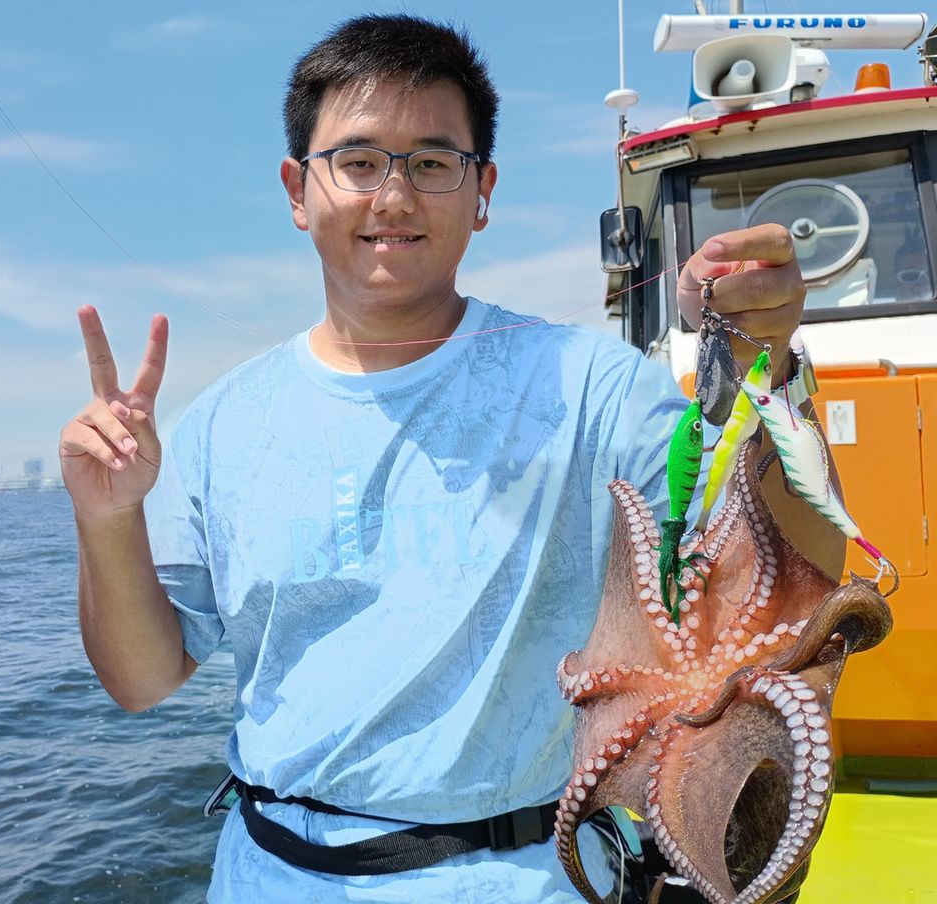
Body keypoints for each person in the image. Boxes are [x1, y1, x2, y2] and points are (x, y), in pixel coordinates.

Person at [59, 15, 839, 902]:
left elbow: (802, 574)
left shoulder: (593, 389)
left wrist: (769, 367)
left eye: (432, 163)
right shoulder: (220, 423)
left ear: (483, 191)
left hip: (529, 875)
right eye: (357, 162)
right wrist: (108, 517)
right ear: (296, 189)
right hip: (268, 874)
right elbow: (140, 677)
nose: (392, 197)